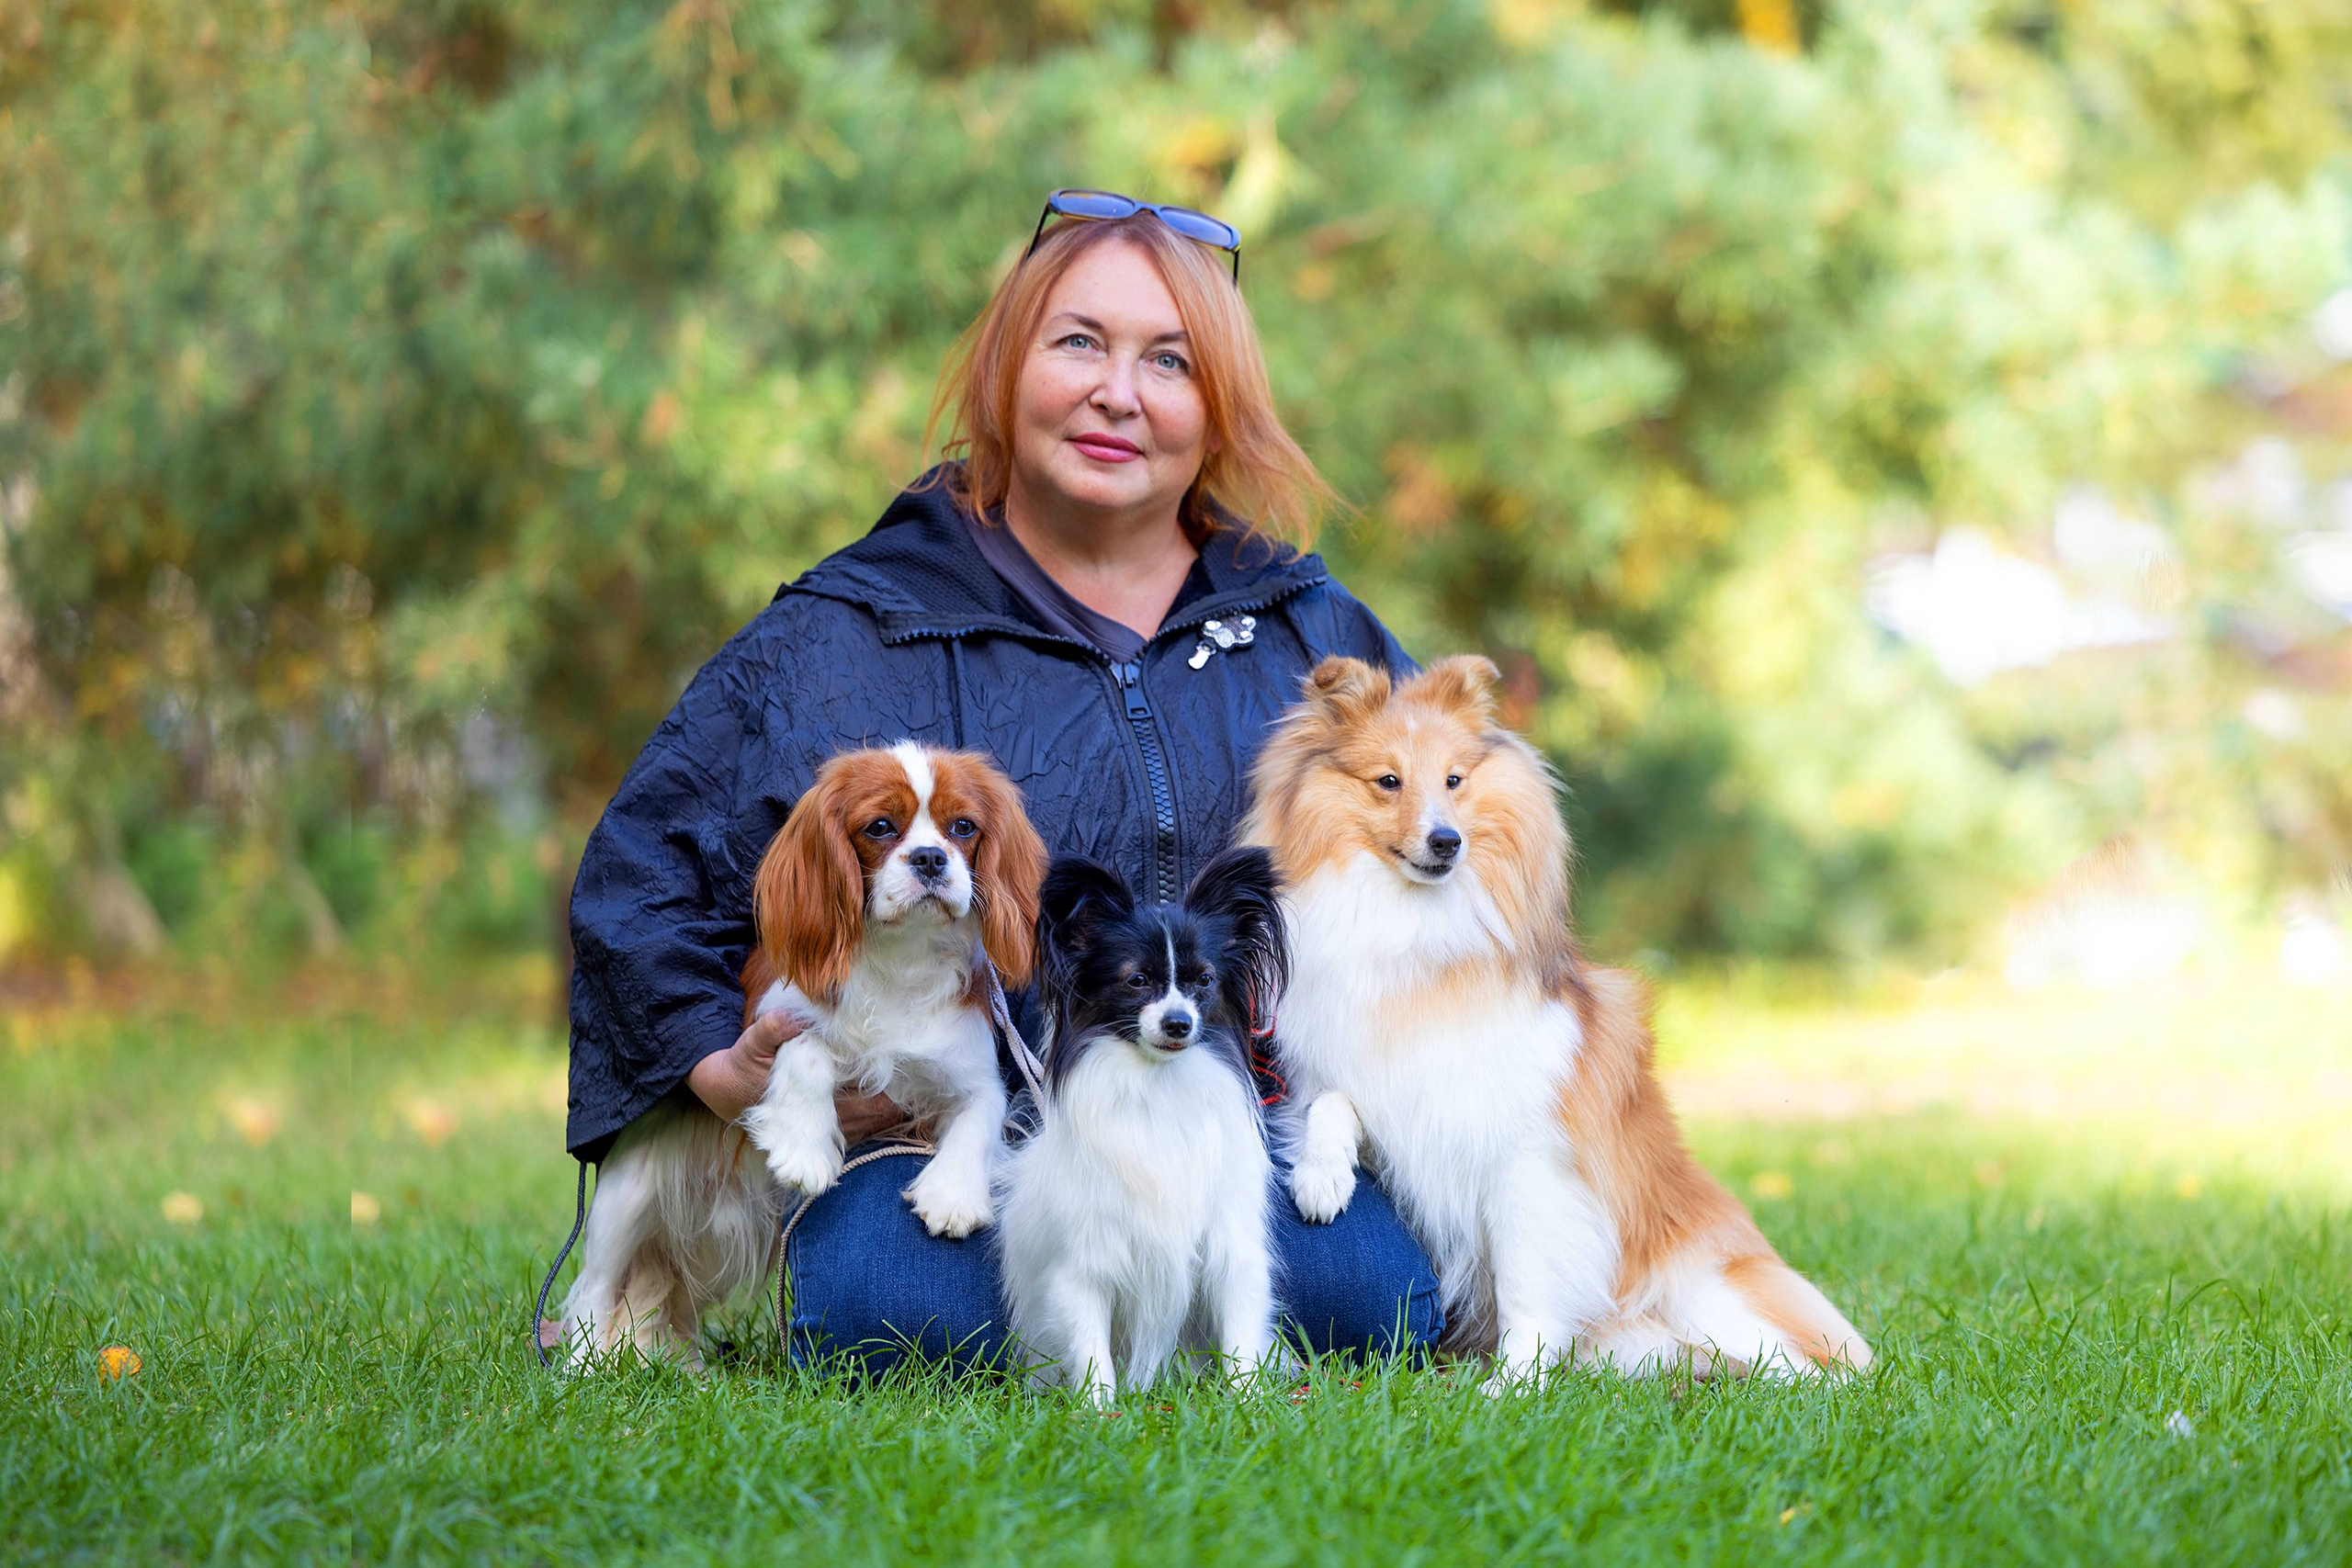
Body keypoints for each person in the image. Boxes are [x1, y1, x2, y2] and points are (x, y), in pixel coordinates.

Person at [565, 189, 1442, 1371]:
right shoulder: (853, 624)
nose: (1116, 394)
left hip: (1222, 1120)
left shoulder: (1303, 630)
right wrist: (715, 1071)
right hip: (941, 1141)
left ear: (1219, 405)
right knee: (893, 1301)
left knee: (1370, 1294)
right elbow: (644, 876)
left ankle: (1167, 1305)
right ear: (1003, 369)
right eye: (1077, 342)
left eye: (1169, 362)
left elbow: (1452, 849)